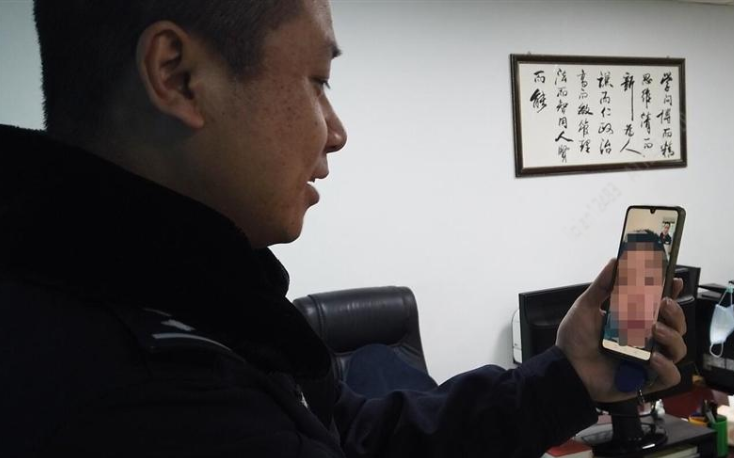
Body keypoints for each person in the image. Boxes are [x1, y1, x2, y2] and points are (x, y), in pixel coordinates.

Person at [0, 1, 688, 457]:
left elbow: (356, 437)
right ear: (178, 75)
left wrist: (567, 378)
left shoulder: (200, 310)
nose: (336, 131)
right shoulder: (136, 406)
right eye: (316, 80)